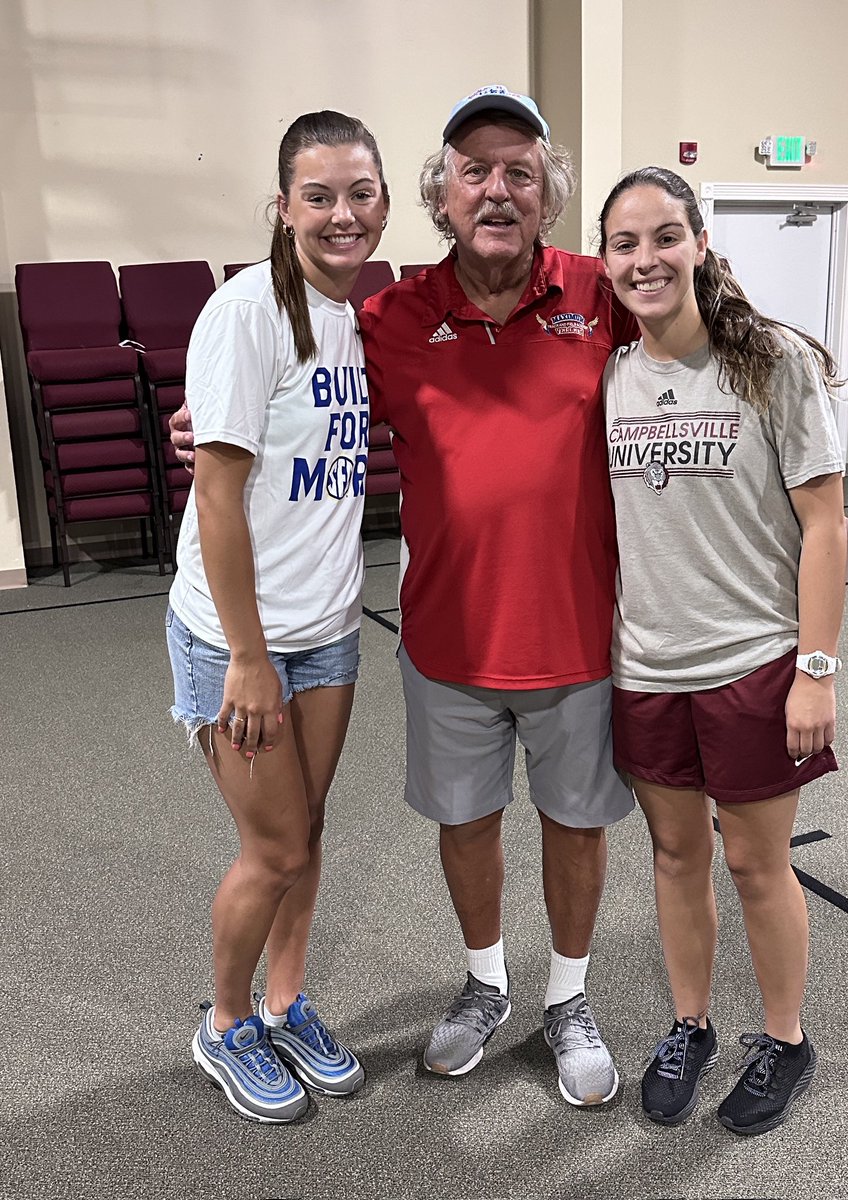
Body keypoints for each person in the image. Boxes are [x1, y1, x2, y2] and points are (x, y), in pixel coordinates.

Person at [172, 85, 636, 1108]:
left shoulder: (604, 295)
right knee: (433, 829)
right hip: (443, 642)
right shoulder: (388, 314)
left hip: (568, 637)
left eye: (520, 169)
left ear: (549, 192)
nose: (497, 188)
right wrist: (203, 429)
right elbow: (244, 431)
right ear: (439, 195)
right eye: (475, 170)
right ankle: (477, 988)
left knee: (566, 825)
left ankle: (565, 999)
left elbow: (702, 351)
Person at [598, 166, 847, 1134]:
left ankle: (784, 1040)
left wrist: (815, 670)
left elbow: (824, 528)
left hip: (752, 664)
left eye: (664, 236)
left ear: (699, 242)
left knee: (754, 865)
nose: (645, 258)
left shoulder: (771, 363)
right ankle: (689, 1025)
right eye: (625, 243)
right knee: (671, 855)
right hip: (645, 667)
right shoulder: (610, 375)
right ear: (607, 262)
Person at [166, 110, 389, 1124]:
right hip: (236, 638)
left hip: (328, 628)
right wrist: (248, 659)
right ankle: (223, 1024)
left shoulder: (358, 315)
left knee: (311, 827)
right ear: (282, 206)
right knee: (275, 850)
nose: (343, 214)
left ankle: (288, 1000)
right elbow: (217, 497)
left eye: (360, 192)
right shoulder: (246, 309)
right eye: (319, 195)